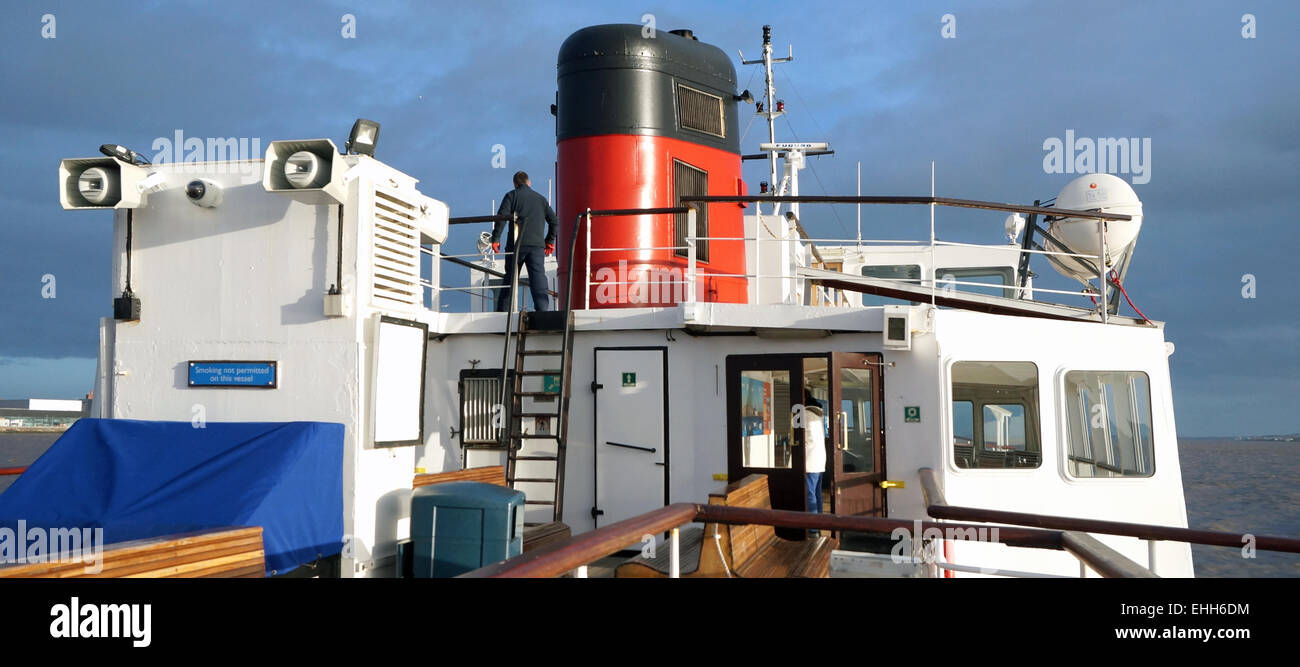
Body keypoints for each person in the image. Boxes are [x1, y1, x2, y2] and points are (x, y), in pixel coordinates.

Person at [491, 171, 558, 312]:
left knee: (510, 279)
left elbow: (501, 218)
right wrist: (549, 241)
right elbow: (554, 221)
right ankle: (542, 310)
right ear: (529, 182)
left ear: (515, 183)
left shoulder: (511, 195)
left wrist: (496, 238)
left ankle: (502, 313)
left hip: (516, 246)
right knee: (538, 278)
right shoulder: (541, 199)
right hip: (537, 247)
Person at [803, 388, 828, 527]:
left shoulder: (805, 414)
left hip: (809, 460)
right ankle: (820, 521)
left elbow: (802, 439)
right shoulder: (818, 414)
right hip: (819, 459)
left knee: (809, 493)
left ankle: (813, 525)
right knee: (816, 493)